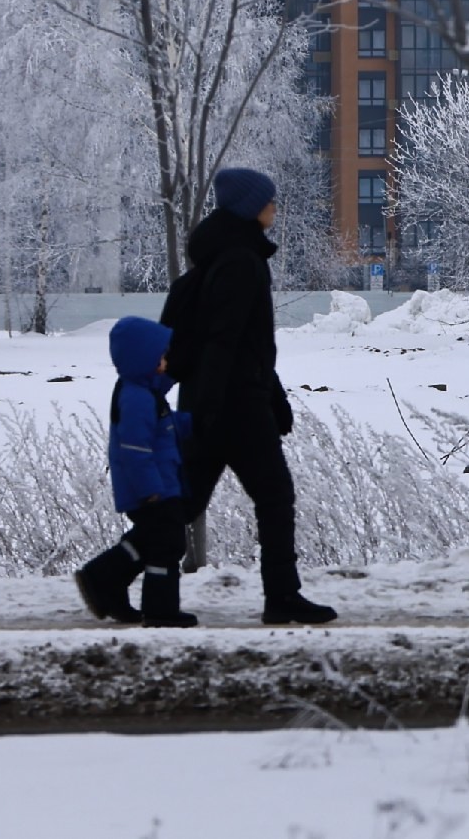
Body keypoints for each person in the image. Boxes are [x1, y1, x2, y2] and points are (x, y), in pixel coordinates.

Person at [162, 167, 338, 626]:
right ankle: (282, 596)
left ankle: (112, 572)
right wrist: (222, 407)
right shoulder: (241, 261)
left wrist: (267, 397)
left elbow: (243, 345)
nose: (275, 208)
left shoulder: (227, 255)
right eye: (269, 201)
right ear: (249, 207)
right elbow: (227, 341)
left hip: (220, 402)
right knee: (275, 495)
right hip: (234, 406)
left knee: (184, 501)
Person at [73, 314, 199, 627]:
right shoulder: (137, 398)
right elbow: (135, 449)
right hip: (151, 488)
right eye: (162, 356)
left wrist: (191, 424)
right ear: (142, 359)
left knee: (150, 540)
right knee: (167, 545)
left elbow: (162, 430)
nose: (167, 361)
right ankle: (160, 609)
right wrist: (149, 489)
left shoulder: (145, 393)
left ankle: (102, 579)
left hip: (158, 484)